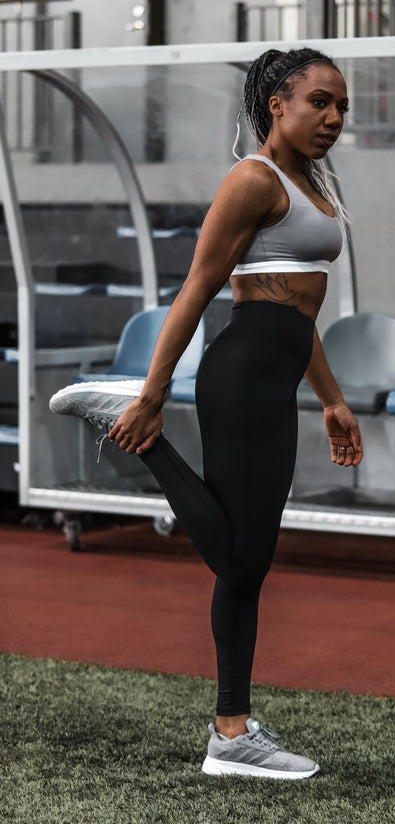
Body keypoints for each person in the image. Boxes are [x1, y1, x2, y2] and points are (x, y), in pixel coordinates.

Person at [49, 47, 363, 780]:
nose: (333, 118)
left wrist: (331, 398)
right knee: (238, 558)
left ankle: (232, 733)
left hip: (275, 377)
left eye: (341, 107)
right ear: (277, 104)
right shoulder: (252, 180)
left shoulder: (307, 182)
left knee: (247, 566)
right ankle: (131, 426)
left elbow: (297, 311)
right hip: (242, 373)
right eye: (319, 102)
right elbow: (196, 288)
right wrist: (153, 395)